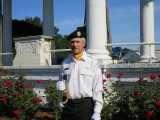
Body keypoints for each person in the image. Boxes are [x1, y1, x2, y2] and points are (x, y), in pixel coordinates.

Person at [56, 27, 103, 120]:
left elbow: (98, 88)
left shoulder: (92, 62)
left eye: (78, 42)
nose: (75, 44)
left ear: (84, 44)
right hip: (68, 105)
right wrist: (59, 85)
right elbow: (61, 82)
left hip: (85, 106)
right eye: (72, 42)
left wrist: (97, 112)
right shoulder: (65, 62)